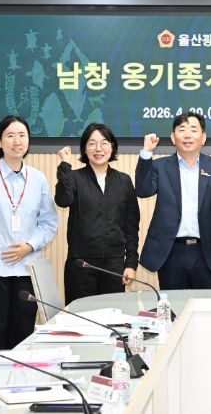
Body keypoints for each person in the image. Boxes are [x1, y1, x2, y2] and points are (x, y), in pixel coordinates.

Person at [0, 115, 57, 350]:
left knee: (23, 335)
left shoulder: (38, 178)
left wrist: (30, 246)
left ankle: (20, 375)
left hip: (26, 269)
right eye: (10, 135)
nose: (17, 141)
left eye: (22, 135)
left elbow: (48, 223)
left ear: (28, 140)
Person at [135, 111, 211, 290]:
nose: (188, 135)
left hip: (208, 252)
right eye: (182, 130)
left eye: (193, 130)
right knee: (173, 305)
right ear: (173, 138)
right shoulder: (160, 166)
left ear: (203, 138)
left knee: (206, 305)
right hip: (171, 252)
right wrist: (146, 152)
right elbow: (143, 191)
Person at [55, 123, 140, 305]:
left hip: (114, 266)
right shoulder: (75, 178)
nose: (98, 149)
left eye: (104, 143)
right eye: (92, 143)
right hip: (80, 265)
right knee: (80, 318)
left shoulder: (124, 181)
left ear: (112, 147)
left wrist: (131, 264)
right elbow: (63, 200)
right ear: (84, 149)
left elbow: (131, 227)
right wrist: (65, 166)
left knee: (113, 317)